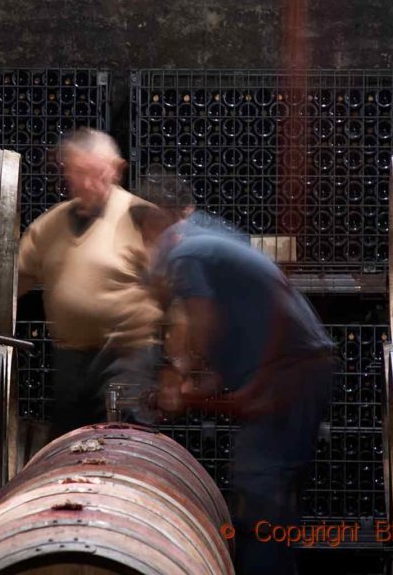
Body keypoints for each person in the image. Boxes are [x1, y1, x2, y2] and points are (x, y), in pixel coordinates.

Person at [134, 175, 338, 575]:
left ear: (153, 223)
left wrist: (179, 376)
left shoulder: (183, 252)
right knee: (269, 495)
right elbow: (241, 314)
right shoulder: (208, 231)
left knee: (259, 489)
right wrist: (208, 382)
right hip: (301, 364)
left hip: (289, 370)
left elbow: (202, 320)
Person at [17, 128, 162, 438]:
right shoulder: (51, 224)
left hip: (127, 360)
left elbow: (173, 285)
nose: (85, 182)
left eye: (94, 172)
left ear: (115, 169)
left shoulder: (141, 218)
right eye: (78, 172)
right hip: (71, 360)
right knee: (72, 447)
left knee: (125, 443)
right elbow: (12, 279)